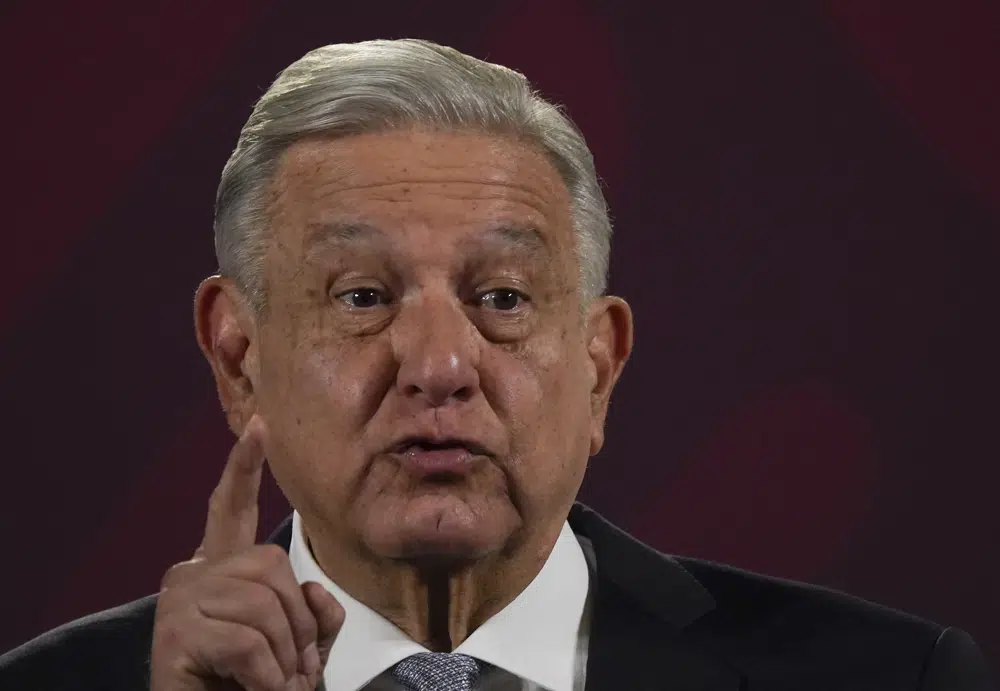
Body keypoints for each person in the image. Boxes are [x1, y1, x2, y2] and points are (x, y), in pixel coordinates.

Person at [0, 38, 993, 691]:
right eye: (361, 297)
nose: (439, 363)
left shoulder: (891, 676)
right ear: (237, 354)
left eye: (503, 299)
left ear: (597, 366)